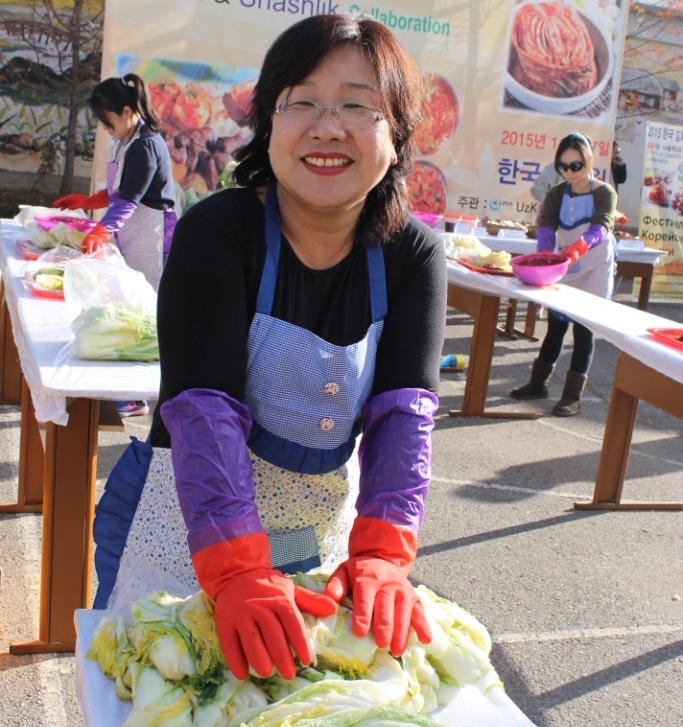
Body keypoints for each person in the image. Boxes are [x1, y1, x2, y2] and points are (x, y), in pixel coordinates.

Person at [92, 14, 446, 682]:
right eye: (301, 101)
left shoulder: (414, 253)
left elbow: (404, 413)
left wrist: (381, 552)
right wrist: (235, 569)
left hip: (318, 542)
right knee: (162, 689)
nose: (326, 125)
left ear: (396, 135)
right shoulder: (217, 232)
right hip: (187, 530)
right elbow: (203, 409)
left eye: (357, 106)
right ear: (269, 123)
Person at [54, 73, 177, 418]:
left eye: (108, 123)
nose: (107, 130)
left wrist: (99, 232)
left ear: (126, 111)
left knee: (147, 313)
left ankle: (144, 394)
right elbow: (120, 192)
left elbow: (129, 200)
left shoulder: (146, 144)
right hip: (135, 230)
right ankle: (130, 392)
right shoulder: (129, 141)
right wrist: (90, 199)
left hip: (151, 234)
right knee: (129, 308)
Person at [510, 132, 617, 417]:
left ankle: (572, 396)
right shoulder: (557, 193)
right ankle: (538, 384)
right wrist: (546, 253)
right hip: (566, 265)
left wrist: (580, 246)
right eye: (564, 166)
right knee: (556, 325)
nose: (570, 172)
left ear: (589, 161)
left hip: (594, 265)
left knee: (584, 330)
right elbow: (546, 226)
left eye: (576, 166)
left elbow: (601, 227)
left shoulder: (604, 193)